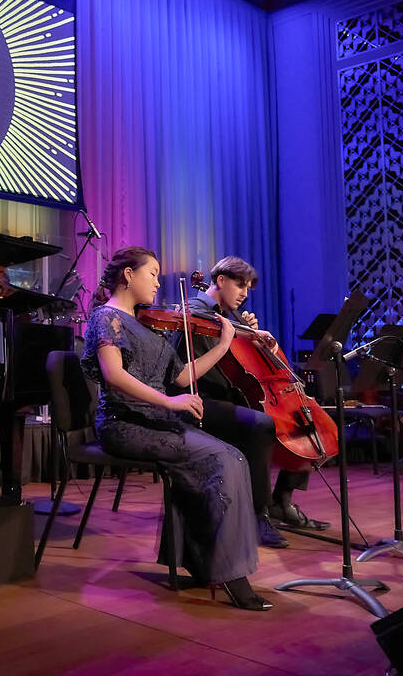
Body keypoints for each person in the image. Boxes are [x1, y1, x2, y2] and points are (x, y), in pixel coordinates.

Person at [82, 246, 272, 611]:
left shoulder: (145, 323)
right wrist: (169, 402)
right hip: (125, 424)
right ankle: (231, 573)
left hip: (156, 421)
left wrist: (224, 344)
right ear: (128, 275)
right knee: (225, 459)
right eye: (152, 273)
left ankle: (202, 563)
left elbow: (182, 376)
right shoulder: (106, 318)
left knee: (229, 456)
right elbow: (114, 375)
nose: (157, 282)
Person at [181, 257, 331, 535]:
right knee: (263, 425)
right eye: (240, 285)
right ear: (221, 281)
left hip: (231, 394)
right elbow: (206, 357)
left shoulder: (224, 317)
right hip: (203, 400)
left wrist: (250, 334)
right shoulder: (196, 310)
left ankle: (282, 500)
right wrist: (241, 331)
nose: (244, 294)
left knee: (304, 420)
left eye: (248, 288)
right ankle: (257, 513)